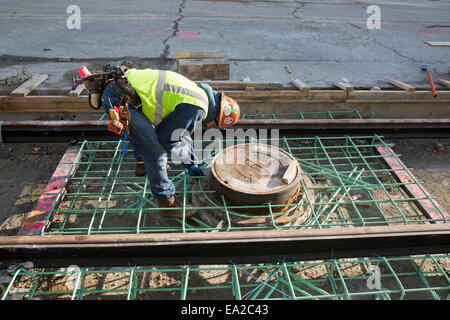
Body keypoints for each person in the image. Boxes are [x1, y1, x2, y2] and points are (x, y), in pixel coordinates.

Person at [81, 65, 240, 218]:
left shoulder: (199, 93)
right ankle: (167, 202)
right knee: (156, 153)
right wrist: (185, 159)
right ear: (216, 120)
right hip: (121, 97)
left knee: (144, 134)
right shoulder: (199, 109)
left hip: (122, 87)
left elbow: (181, 133)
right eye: (215, 125)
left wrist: (191, 162)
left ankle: (143, 165)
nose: (209, 126)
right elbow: (167, 138)